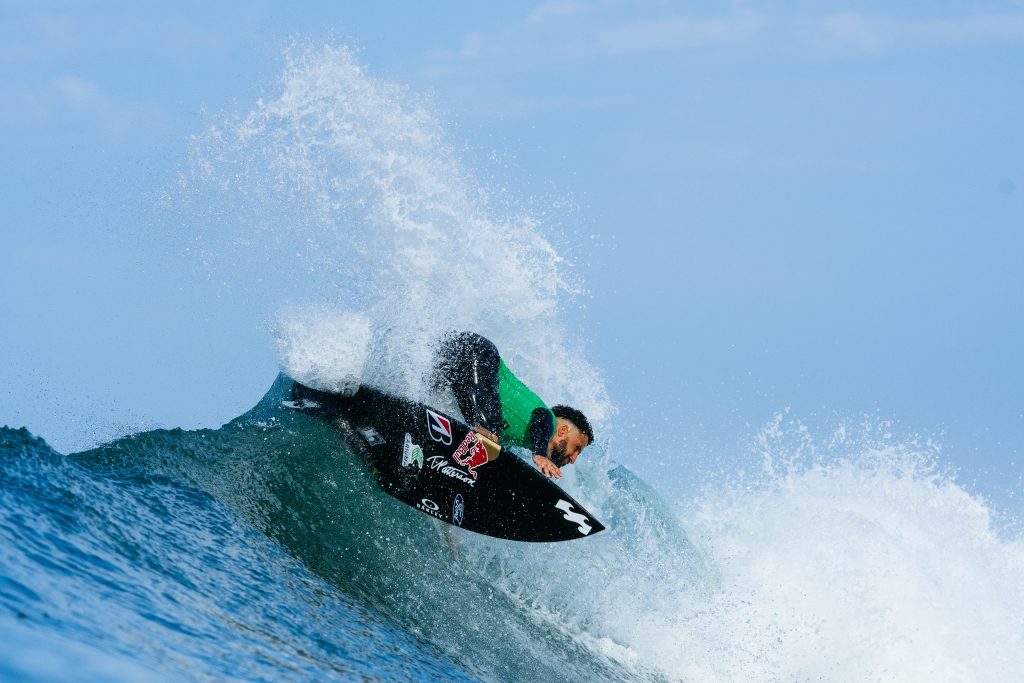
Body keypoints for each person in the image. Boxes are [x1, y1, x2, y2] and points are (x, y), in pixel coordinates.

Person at [431, 332, 593, 479]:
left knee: (490, 447)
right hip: (478, 352)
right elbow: (541, 419)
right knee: (489, 438)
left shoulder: (522, 437)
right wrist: (540, 455)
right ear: (563, 431)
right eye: (577, 448)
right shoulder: (548, 420)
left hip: (458, 359)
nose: (573, 459)